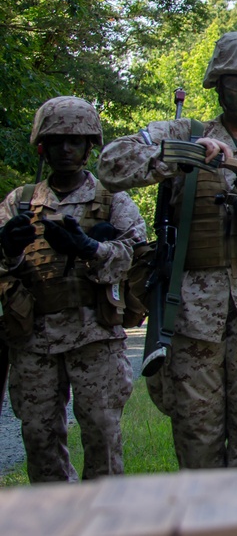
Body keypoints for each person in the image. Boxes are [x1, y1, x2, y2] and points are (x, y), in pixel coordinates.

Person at [98, 31, 237, 468]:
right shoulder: (185, 132)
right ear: (216, 84)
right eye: (233, 80)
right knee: (196, 444)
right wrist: (177, 155)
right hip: (191, 315)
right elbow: (110, 163)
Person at [0, 97, 145, 482]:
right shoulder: (20, 202)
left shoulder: (112, 199)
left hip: (94, 335)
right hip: (35, 337)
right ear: (42, 146)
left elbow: (138, 259)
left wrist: (91, 249)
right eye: (58, 140)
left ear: (89, 147)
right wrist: (10, 253)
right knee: (39, 435)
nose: (66, 149)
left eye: (76, 141)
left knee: (101, 432)